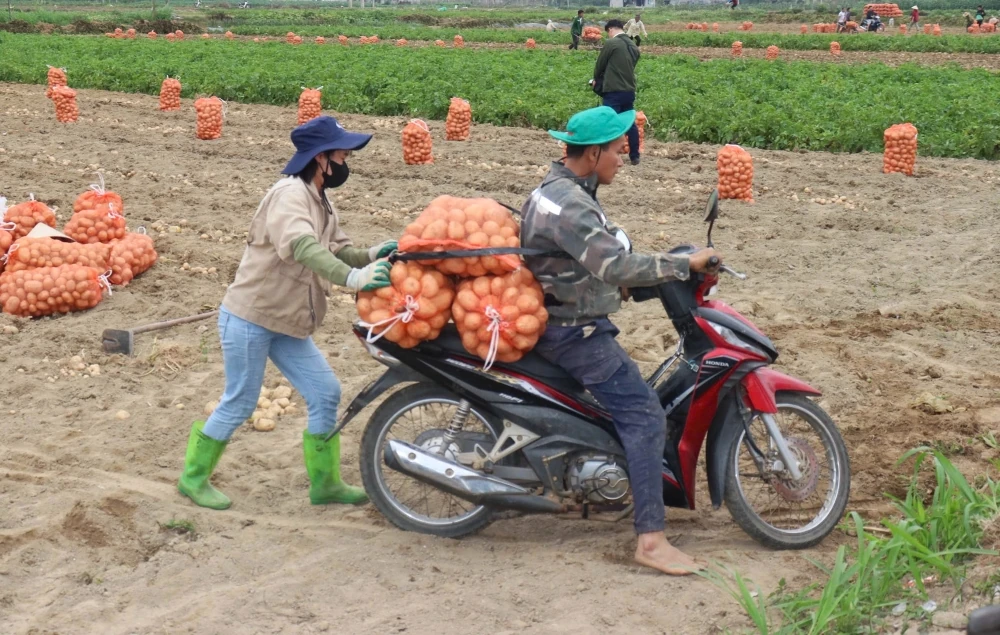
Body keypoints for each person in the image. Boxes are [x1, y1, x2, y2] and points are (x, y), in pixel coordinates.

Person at [520, 106, 719, 576]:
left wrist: (634, 282)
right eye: (615, 150)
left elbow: (591, 264)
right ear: (592, 154)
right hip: (574, 332)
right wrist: (681, 266)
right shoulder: (571, 204)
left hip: (567, 314)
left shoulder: (555, 191)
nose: (622, 159)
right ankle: (651, 540)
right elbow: (614, 265)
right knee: (645, 413)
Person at [177, 116, 398, 511]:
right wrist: (355, 278)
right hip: (250, 317)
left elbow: (336, 247)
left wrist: (370, 255)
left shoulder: (319, 197)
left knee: (325, 393)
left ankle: (326, 484)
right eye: (342, 153)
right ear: (321, 159)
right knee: (241, 402)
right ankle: (193, 478)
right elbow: (304, 248)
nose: (347, 159)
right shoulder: (289, 196)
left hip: (286, 320)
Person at [591, 19, 641, 165]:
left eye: (608, 32)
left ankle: (606, 154)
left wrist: (596, 78)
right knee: (629, 122)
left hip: (613, 89)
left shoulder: (612, 43)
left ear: (611, 29)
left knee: (608, 121)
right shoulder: (633, 45)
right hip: (629, 89)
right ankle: (634, 156)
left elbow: (600, 64)